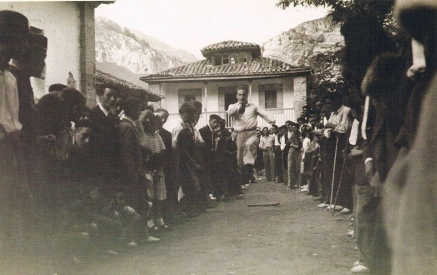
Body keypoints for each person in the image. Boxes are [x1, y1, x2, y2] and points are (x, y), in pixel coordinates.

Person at [0, 9, 31, 253]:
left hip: (10, 153)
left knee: (14, 209)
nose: (27, 44)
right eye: (23, 38)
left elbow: (14, 122)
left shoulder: (10, 78)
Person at [227, 86, 275, 185]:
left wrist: (272, 121)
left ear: (247, 95)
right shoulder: (232, 106)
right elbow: (230, 113)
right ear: (236, 96)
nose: (242, 97)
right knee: (239, 158)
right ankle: (243, 177)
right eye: (239, 95)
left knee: (250, 145)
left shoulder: (253, 106)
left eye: (244, 94)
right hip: (240, 133)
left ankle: (249, 167)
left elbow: (264, 113)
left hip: (252, 132)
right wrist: (239, 107)